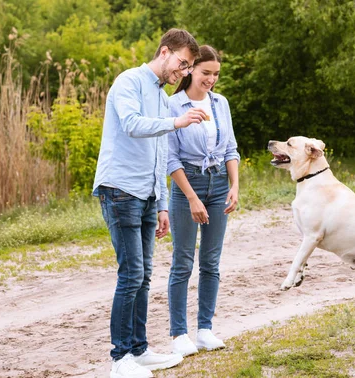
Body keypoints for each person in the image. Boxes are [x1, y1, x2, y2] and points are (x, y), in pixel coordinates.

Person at [93, 29, 210, 378]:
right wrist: (177, 121)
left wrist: (161, 203)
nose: (184, 72)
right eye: (182, 63)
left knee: (143, 276)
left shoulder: (160, 95)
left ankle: (139, 350)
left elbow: (160, 153)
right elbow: (131, 125)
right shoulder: (128, 82)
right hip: (120, 189)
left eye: (189, 67)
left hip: (145, 195)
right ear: (164, 52)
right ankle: (120, 359)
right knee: (130, 275)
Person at [166, 45, 240, 357]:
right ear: (191, 70)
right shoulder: (173, 105)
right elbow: (170, 159)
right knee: (183, 262)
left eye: (215, 74)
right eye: (205, 72)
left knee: (211, 262)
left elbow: (231, 149)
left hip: (219, 184)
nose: (211, 79)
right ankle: (178, 334)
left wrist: (234, 185)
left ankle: (205, 329)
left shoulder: (220, 103)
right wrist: (192, 197)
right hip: (188, 186)